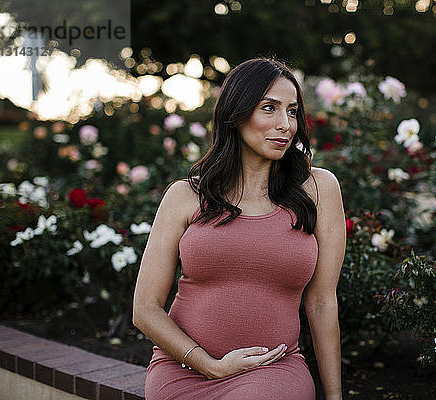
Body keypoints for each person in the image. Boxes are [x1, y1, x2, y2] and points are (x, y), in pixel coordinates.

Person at [133, 57, 346, 400]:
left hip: (272, 371)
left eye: (292, 111)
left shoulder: (318, 189)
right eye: (269, 108)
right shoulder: (186, 196)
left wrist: (335, 397)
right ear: (237, 114)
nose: (286, 125)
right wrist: (208, 364)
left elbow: (321, 302)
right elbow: (145, 308)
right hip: (183, 369)